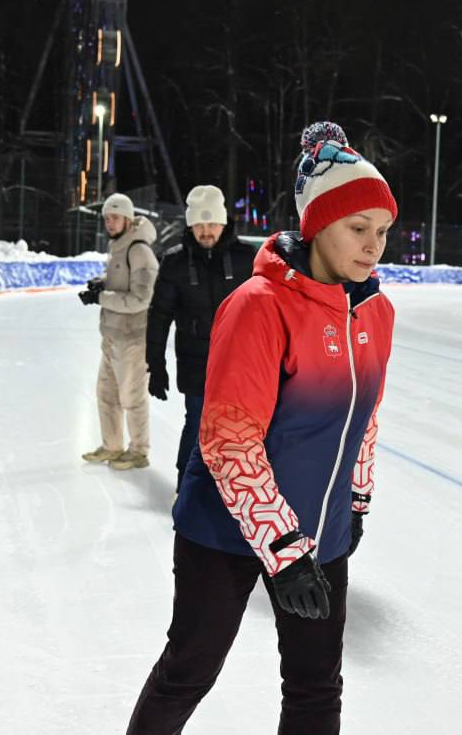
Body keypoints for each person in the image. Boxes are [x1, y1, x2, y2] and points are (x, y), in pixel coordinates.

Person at [126, 122, 397, 734]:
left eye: (382, 231)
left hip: (319, 530)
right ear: (316, 225)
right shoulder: (259, 304)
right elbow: (229, 439)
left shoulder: (376, 313)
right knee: (189, 670)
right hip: (225, 531)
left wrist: (354, 500)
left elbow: (364, 415)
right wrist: (283, 549)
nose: (373, 245)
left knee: (315, 687)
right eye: (358, 229)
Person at [145, 185, 256, 492]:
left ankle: (236, 490)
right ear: (191, 225)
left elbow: (270, 309)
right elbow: (159, 315)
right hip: (196, 361)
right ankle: (187, 488)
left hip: (239, 363)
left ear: (224, 223)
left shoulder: (248, 258)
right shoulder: (175, 262)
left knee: (240, 430)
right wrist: (155, 364)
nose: (206, 231)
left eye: (212, 224)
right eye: (200, 225)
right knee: (196, 423)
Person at [80, 193, 159, 470]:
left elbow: (141, 299)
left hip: (133, 339)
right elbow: (120, 283)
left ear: (127, 218)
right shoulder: (118, 247)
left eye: (114, 218)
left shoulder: (140, 252)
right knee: (106, 394)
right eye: (106, 219)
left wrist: (101, 298)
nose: (110, 223)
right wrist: (101, 284)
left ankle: (139, 450)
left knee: (131, 396)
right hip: (112, 335)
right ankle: (112, 446)